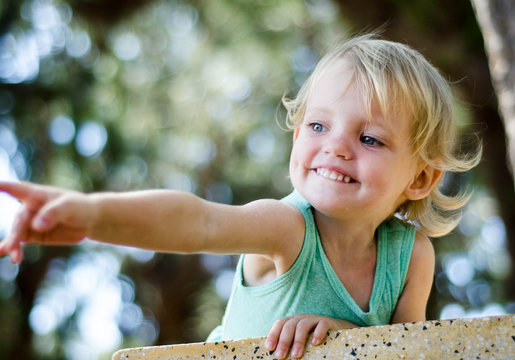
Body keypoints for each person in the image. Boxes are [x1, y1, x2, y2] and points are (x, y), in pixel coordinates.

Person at [0, 34, 481, 359]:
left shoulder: (411, 255)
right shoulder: (287, 229)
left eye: (370, 138)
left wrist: (347, 337)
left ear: (420, 179)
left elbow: (409, 348)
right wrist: (92, 214)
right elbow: (198, 222)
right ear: (297, 140)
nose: (334, 145)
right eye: (318, 125)